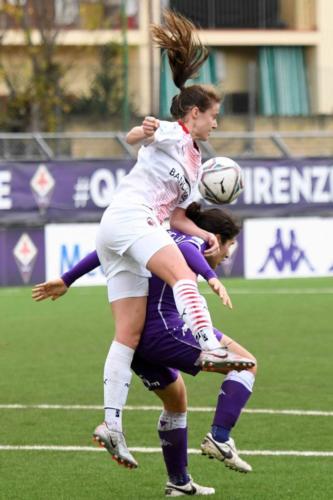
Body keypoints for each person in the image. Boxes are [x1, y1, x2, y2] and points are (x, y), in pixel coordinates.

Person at [40, 10, 245, 467]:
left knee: (128, 334)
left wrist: (205, 233)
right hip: (128, 219)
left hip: (129, 231)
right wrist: (144, 129)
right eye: (214, 117)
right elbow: (138, 135)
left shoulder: (194, 169)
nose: (217, 125)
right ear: (194, 115)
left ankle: (110, 425)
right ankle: (208, 340)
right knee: (180, 276)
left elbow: (175, 216)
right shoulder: (172, 134)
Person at [32, 202, 256, 496]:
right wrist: (211, 277)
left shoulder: (157, 235)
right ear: (215, 237)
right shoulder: (194, 241)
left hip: (136, 342)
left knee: (176, 402)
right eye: (229, 246)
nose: (227, 254)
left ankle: (178, 481)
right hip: (164, 330)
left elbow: (106, 250)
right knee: (247, 364)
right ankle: (220, 437)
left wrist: (67, 279)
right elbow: (190, 250)